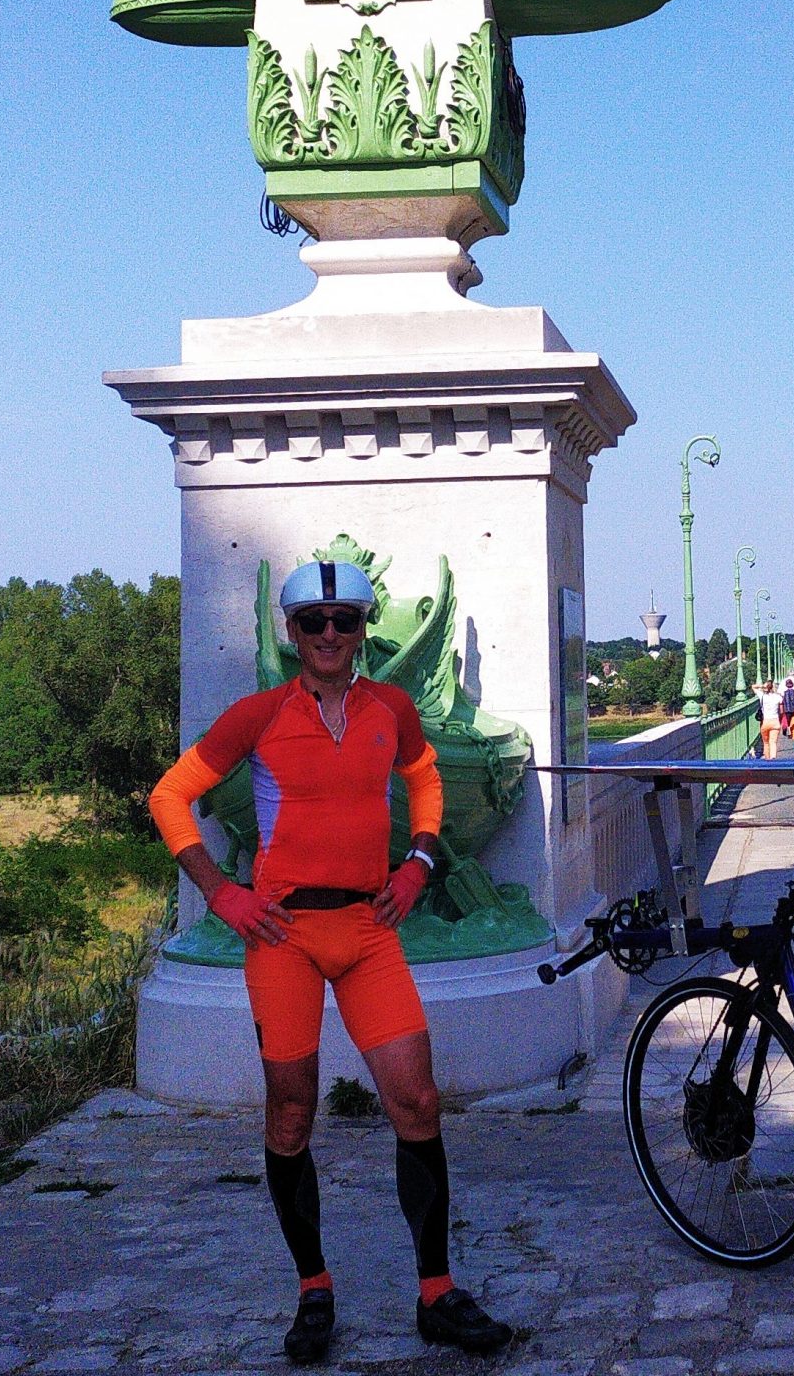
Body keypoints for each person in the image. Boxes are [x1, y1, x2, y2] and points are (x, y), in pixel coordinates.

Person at [147, 559, 513, 1363]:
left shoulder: (390, 709)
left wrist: (419, 863)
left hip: (368, 930)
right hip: (283, 937)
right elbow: (169, 796)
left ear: (363, 629)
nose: (328, 634)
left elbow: (424, 779)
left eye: (344, 620)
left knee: (417, 1101)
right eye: (313, 622)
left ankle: (437, 1292)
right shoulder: (258, 715)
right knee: (291, 1112)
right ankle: (313, 1288)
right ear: (292, 630)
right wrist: (220, 892)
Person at [757, 680, 784, 759]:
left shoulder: (762, 696)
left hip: (765, 721)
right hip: (775, 721)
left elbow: (753, 687)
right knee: (773, 742)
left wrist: (763, 686)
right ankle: (773, 759)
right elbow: (781, 711)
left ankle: (767, 759)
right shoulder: (778, 697)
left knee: (766, 743)